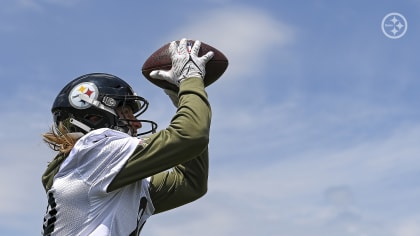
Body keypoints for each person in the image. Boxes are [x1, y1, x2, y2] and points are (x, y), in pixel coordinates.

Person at [41, 38, 215, 235]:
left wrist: (181, 97)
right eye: (126, 112)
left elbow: (190, 183)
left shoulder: (93, 170)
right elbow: (191, 135)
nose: (138, 123)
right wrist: (189, 80)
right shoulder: (92, 151)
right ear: (93, 117)